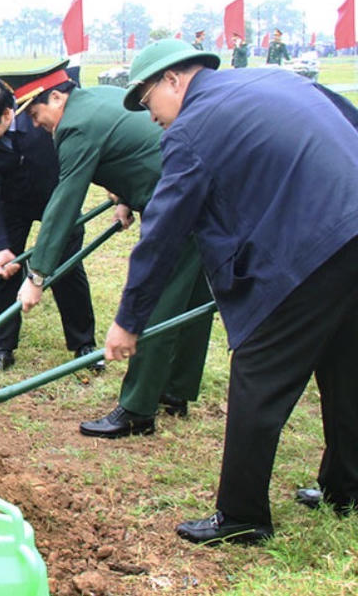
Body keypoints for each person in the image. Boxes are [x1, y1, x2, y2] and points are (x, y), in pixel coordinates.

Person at [110, 38, 358, 544]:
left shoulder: (193, 129)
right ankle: (345, 489)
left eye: (146, 100)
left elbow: (161, 233)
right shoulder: (275, 78)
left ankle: (242, 515)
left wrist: (129, 320)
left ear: (173, 80)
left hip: (315, 245)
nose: (149, 115)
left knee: (259, 372)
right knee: (345, 361)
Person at [2, 59, 215, 439]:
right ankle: (175, 391)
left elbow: (65, 201)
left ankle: (136, 410)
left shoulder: (75, 125)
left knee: (158, 303)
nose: (35, 123)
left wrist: (37, 275)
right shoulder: (98, 98)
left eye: (35, 113)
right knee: (188, 299)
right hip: (198, 194)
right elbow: (132, 150)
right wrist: (125, 196)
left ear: (55, 96)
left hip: (176, 205)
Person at [0, 77, 97, 374]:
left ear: (7, 114)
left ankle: (84, 345)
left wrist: (65, 214)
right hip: (11, 205)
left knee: (66, 268)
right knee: (6, 272)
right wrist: (0, 246)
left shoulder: (41, 124)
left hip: (56, 201)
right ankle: (2, 350)